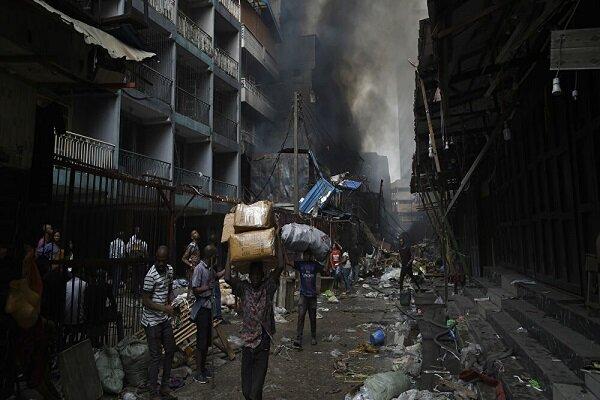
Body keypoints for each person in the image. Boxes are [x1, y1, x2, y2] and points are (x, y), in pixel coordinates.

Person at [224, 240, 284, 400]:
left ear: (263, 275)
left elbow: (280, 267)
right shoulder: (244, 288)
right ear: (249, 276)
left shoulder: (268, 288)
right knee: (246, 391)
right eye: (253, 274)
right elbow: (228, 277)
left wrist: (277, 239)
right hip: (247, 344)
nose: (256, 277)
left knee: (255, 391)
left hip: (262, 343)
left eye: (258, 274)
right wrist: (230, 250)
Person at [141, 246, 177, 400]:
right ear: (155, 259)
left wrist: (173, 301)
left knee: (170, 350)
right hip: (151, 321)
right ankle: (153, 392)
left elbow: (169, 289)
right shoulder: (150, 275)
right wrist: (164, 308)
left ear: (167, 259)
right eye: (158, 260)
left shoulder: (169, 270)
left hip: (164, 319)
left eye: (163, 260)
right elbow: (145, 301)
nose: (161, 263)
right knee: (156, 356)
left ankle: (164, 386)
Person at [191, 245, 223, 384]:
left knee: (207, 341)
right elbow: (195, 289)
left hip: (209, 308)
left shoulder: (210, 269)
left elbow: (216, 277)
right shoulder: (199, 268)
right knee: (201, 342)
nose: (216, 259)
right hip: (202, 309)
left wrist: (229, 267)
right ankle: (198, 372)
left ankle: (203, 368)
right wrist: (206, 287)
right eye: (214, 257)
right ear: (210, 257)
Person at [293, 251, 323, 349]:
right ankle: (298, 338)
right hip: (303, 295)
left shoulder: (315, 265)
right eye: (304, 255)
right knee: (301, 317)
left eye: (308, 255)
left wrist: (328, 254)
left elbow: (324, 268)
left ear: (311, 256)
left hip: (312, 296)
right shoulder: (300, 264)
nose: (306, 256)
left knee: (312, 317)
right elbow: (289, 262)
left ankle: (313, 336)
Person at [127, 227, 148, 295]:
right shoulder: (132, 240)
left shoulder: (143, 242)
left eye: (138, 231)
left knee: (141, 278)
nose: (137, 233)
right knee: (135, 277)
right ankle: (135, 292)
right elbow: (128, 249)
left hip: (141, 263)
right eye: (136, 231)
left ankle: (141, 292)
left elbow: (145, 253)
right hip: (135, 262)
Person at [109, 231, 126, 295]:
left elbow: (110, 253)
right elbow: (121, 253)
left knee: (114, 276)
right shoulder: (122, 243)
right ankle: (115, 292)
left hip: (113, 261)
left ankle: (113, 291)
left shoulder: (112, 242)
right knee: (117, 276)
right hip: (118, 261)